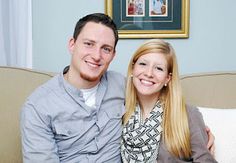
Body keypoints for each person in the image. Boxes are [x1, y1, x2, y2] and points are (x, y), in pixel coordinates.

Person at [21, 13, 214, 163]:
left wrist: (195, 128)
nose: (96, 55)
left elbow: (163, 102)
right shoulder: (38, 106)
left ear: (113, 55)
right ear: (72, 44)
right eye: (89, 44)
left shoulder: (120, 85)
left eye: (106, 48)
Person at [121, 39, 217, 162]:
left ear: (167, 78)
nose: (149, 73)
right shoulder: (119, 111)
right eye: (143, 64)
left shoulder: (187, 115)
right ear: (133, 69)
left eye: (159, 68)